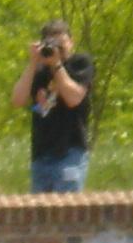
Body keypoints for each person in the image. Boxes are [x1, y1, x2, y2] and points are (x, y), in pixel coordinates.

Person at [14, 19, 95, 193]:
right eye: (52, 44)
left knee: (66, 212)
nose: (57, 49)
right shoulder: (39, 71)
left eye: (62, 43)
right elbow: (17, 100)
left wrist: (57, 64)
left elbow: (74, 98)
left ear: (71, 42)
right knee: (40, 214)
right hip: (41, 154)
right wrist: (33, 63)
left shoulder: (80, 63)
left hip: (70, 151)